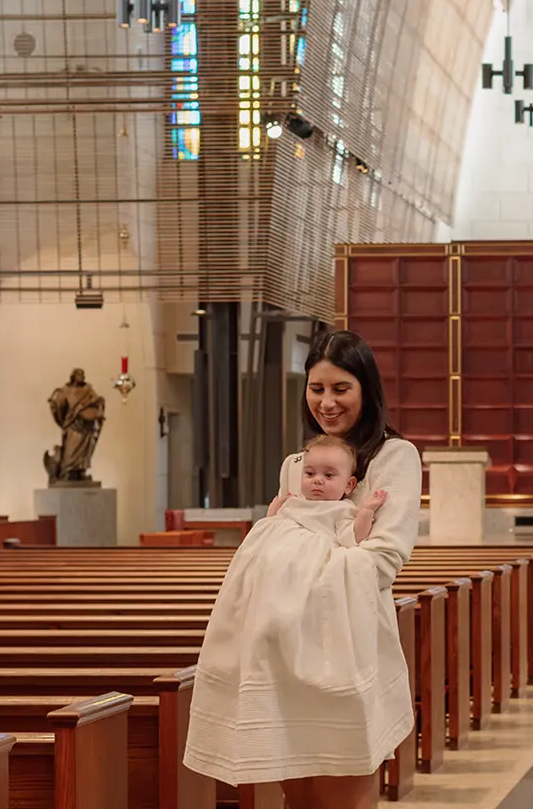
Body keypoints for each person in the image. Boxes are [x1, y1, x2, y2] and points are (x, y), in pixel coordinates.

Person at [184, 329, 420, 809]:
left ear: (366, 389)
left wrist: (298, 565)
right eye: (317, 388)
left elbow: (381, 560)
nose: (327, 402)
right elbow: (277, 540)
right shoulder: (297, 464)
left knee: (345, 785)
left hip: (348, 640)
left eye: (341, 389)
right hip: (283, 644)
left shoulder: (394, 457)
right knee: (296, 791)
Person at [270, 433, 388, 544]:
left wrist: (366, 512)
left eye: (328, 475)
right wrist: (272, 514)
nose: (317, 480)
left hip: (312, 555)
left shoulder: (340, 509)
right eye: (310, 473)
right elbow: (270, 531)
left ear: (348, 485)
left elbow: (354, 537)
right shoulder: (293, 502)